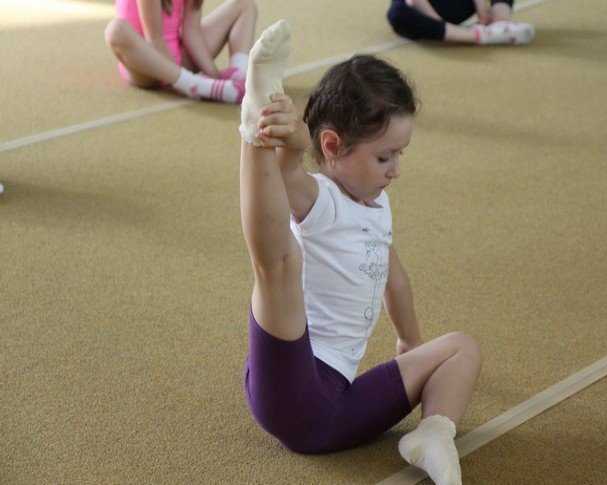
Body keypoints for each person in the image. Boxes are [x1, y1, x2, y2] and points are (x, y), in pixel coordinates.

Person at [239, 20, 482, 485]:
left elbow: (395, 278)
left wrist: (411, 343)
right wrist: (288, 143)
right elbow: (286, 177)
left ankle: (434, 434)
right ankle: (255, 128)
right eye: (384, 157)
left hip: (335, 407)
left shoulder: (378, 207)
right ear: (332, 146)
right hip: (292, 382)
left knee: (462, 348)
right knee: (279, 266)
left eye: (400, 155)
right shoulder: (320, 199)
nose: (395, 170)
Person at [104, 0, 257, 103]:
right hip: (147, 66)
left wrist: (214, 75)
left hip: (178, 59)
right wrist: (178, 78)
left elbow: (191, 31)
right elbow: (155, 41)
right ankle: (197, 85)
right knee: (115, 30)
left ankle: (238, 79)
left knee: (244, 4)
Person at [387, 0, 535, 45]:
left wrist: (483, 14)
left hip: (452, 6)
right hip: (421, 13)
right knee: (397, 13)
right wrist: (439, 26)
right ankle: (482, 35)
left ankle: (501, 23)